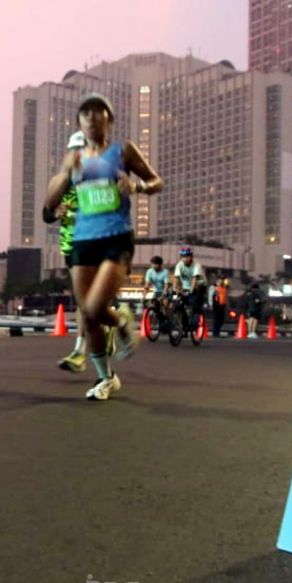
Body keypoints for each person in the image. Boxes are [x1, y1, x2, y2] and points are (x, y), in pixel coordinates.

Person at [44, 92, 163, 401]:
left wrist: (135, 186)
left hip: (116, 237)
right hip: (83, 241)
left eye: (99, 113)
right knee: (88, 312)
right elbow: (50, 203)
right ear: (80, 123)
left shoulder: (123, 151)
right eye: (87, 114)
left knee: (97, 307)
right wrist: (66, 172)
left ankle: (122, 319)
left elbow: (156, 181)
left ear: (109, 119)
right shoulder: (75, 159)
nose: (93, 118)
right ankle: (105, 377)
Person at [44, 130, 90, 373]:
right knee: (84, 300)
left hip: (98, 241)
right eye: (75, 151)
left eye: (84, 150)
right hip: (71, 244)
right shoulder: (59, 181)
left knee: (88, 298)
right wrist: (55, 212)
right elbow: (45, 214)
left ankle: (82, 348)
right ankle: (83, 347)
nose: (79, 155)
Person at [172, 247, 206, 332]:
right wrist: (175, 290)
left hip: (199, 285)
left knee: (196, 305)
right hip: (186, 286)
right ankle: (183, 323)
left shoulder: (197, 265)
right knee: (179, 303)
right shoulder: (179, 265)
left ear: (191, 257)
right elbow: (176, 278)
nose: (185, 258)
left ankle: (195, 323)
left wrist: (191, 291)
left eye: (187, 256)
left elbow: (195, 279)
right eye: (183, 256)